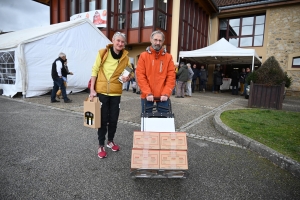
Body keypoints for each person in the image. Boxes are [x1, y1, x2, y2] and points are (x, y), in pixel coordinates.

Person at [89, 32, 133, 159]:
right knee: (102, 120)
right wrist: (92, 89)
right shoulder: (103, 53)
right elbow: (94, 70)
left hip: (116, 93)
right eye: (118, 41)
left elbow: (130, 71)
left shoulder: (125, 57)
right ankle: (101, 145)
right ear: (113, 41)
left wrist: (128, 77)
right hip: (101, 92)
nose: (120, 44)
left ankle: (110, 141)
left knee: (113, 119)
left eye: (122, 42)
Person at [136, 30, 175, 113]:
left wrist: (166, 93)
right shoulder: (143, 56)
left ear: (163, 42)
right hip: (147, 95)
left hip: (163, 95)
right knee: (147, 121)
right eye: (155, 40)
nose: (157, 42)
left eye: (160, 40)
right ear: (151, 40)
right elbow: (140, 76)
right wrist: (147, 92)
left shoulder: (168, 57)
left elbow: (171, 77)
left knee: (163, 121)